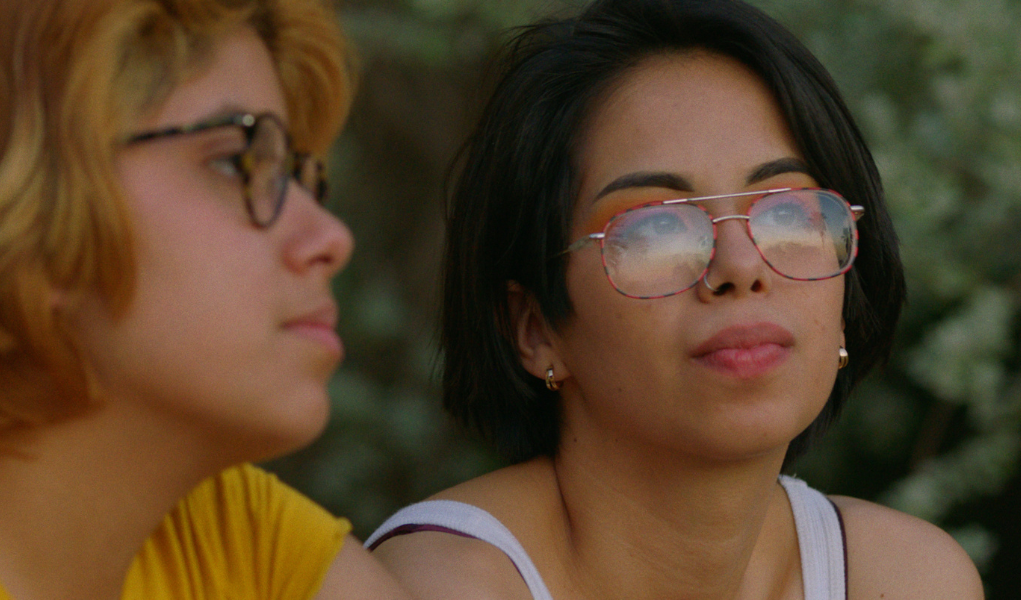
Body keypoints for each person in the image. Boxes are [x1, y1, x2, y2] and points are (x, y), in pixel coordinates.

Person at [366, 0, 984, 598]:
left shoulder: (904, 579)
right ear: (535, 328)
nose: (741, 267)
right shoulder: (442, 584)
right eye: (656, 227)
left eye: (790, 212)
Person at [0, 0, 411, 599]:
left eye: (292, 175)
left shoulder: (243, 542)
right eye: (235, 161)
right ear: (15, 204)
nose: (330, 239)